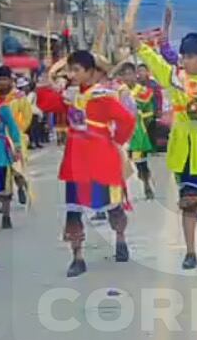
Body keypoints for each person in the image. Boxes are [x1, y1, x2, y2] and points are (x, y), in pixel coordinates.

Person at [136, 32, 197, 269]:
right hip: (186, 151)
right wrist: (137, 43)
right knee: (188, 203)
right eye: (184, 56)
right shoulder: (176, 80)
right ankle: (190, 251)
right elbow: (156, 63)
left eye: (191, 56)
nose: (186, 61)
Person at [34, 51, 137, 276]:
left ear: (90, 72)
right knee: (73, 209)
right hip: (75, 159)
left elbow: (127, 120)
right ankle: (77, 256)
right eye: (70, 70)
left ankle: (120, 239)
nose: (72, 74)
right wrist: (46, 82)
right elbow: (47, 104)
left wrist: (116, 142)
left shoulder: (104, 96)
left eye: (76, 70)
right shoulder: (70, 95)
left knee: (113, 205)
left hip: (101, 158)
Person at [0, 67, 27, 228]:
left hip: (12, 139)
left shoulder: (18, 98)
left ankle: (7, 210)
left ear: (11, 81)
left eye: (5, 79)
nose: (2, 83)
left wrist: (18, 141)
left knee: (13, 173)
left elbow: (24, 118)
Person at [116, 62, 158, 200]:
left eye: (130, 73)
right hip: (122, 132)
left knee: (140, 161)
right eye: (124, 74)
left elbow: (150, 111)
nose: (128, 77)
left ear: (135, 75)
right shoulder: (118, 92)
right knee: (122, 161)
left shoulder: (143, 92)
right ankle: (122, 192)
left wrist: (140, 118)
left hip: (138, 131)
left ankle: (146, 183)